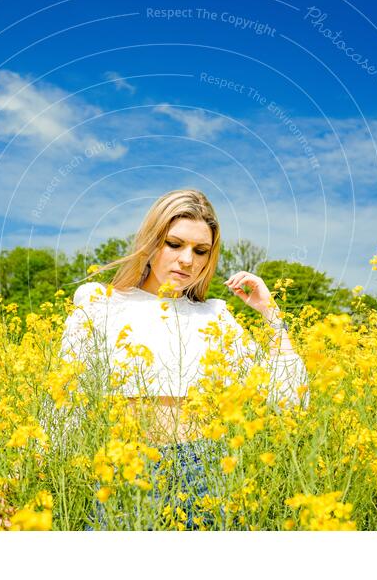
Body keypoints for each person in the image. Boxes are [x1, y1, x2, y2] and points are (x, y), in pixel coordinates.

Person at [59, 188, 308, 529]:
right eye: (174, 244)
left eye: (200, 250)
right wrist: (20, 476)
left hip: (206, 470)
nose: (188, 260)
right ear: (150, 242)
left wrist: (270, 312)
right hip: (126, 470)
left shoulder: (216, 316)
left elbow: (290, 398)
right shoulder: (98, 302)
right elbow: (62, 400)